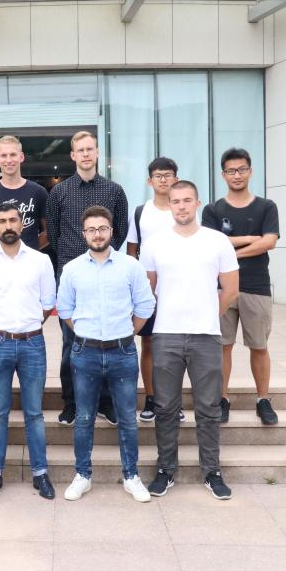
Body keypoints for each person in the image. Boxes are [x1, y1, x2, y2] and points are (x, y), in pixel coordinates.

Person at [141, 181, 239, 500]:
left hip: (206, 336)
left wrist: (209, 313)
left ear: (198, 203)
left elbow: (231, 289)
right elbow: (148, 289)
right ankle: (165, 469)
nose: (181, 206)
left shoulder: (217, 240)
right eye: (176, 201)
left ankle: (212, 471)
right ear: (169, 205)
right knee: (165, 407)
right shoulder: (155, 243)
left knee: (208, 407)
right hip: (166, 334)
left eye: (187, 200)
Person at [56, 206, 154, 503]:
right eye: (91, 230)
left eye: (102, 228)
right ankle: (82, 475)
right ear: (83, 233)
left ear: (111, 231)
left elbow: (145, 305)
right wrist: (85, 332)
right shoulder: (72, 269)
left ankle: (131, 476)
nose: (97, 234)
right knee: (84, 417)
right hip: (85, 352)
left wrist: (128, 332)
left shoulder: (130, 266)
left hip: (122, 352)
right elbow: (65, 309)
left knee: (127, 418)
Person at [0, 203, 57, 500]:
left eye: (13, 220)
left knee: (35, 413)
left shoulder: (41, 261)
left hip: (32, 343)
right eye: (2, 221)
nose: (8, 225)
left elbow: (48, 303)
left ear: (22, 224)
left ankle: (40, 473)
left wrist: (27, 326)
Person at [46, 131, 129, 427]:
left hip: (107, 272)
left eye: (89, 149)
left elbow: (119, 231)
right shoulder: (59, 192)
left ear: (97, 153)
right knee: (72, 342)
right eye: (80, 150)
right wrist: (74, 262)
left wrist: (101, 258)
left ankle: (105, 403)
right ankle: (71, 403)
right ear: (73, 155)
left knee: (105, 338)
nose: (85, 154)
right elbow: (53, 234)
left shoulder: (114, 191)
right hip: (71, 274)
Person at [202, 148, 280, 426]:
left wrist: (231, 253)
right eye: (231, 171)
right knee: (222, 346)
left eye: (242, 169)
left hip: (256, 286)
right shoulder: (213, 210)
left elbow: (269, 241)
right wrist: (250, 239)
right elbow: (211, 243)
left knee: (259, 345)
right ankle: (222, 399)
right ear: (223, 175)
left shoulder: (266, 207)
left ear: (250, 171)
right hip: (221, 288)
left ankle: (263, 399)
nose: (237, 175)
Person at [125, 157, 181, 424]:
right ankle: (150, 398)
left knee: (176, 347)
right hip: (148, 290)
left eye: (168, 175)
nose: (163, 180)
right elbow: (131, 252)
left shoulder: (182, 210)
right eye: (158, 175)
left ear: (176, 179)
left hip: (178, 289)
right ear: (150, 181)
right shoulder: (140, 212)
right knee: (147, 343)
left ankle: (173, 401)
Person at [0, 135, 48, 252]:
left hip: (30, 260)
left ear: (21, 157)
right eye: (4, 155)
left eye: (13, 154)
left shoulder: (39, 192)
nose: (8, 160)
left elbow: (50, 232)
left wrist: (29, 251)